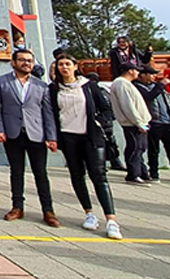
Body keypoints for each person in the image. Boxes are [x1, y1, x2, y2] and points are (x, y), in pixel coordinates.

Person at [49, 54, 122, 240]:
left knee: (99, 176)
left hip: (91, 136)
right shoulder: (54, 88)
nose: (64, 67)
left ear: (75, 66)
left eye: (67, 64)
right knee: (77, 175)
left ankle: (111, 219)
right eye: (60, 65)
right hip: (68, 137)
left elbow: (107, 109)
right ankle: (89, 213)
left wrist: (98, 121)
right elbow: (51, 113)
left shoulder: (89, 86)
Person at [0, 49, 61, 227]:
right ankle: (17, 207)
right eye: (22, 60)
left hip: (36, 134)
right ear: (13, 63)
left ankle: (48, 210)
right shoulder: (1, 82)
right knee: (16, 171)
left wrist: (51, 136)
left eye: (29, 60)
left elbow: (48, 113)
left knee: (41, 173)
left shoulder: (41, 85)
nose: (26, 63)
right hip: (12, 133)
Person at [132, 65, 170, 183]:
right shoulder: (138, 87)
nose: (154, 76)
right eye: (151, 74)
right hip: (154, 123)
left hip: (168, 122)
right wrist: (161, 85)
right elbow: (149, 96)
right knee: (154, 150)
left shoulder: (157, 86)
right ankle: (154, 173)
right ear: (143, 75)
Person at [109, 62, 152, 186]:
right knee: (134, 148)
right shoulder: (121, 83)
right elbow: (128, 106)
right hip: (132, 123)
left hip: (138, 122)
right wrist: (139, 123)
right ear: (130, 71)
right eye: (136, 70)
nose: (138, 73)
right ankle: (133, 174)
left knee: (140, 148)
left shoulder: (126, 84)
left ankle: (142, 172)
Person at [85, 72, 125, 171]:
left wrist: (109, 118)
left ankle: (114, 162)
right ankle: (100, 163)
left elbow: (109, 106)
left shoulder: (102, 91)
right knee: (97, 145)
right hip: (94, 123)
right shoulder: (86, 91)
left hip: (105, 122)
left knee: (110, 144)